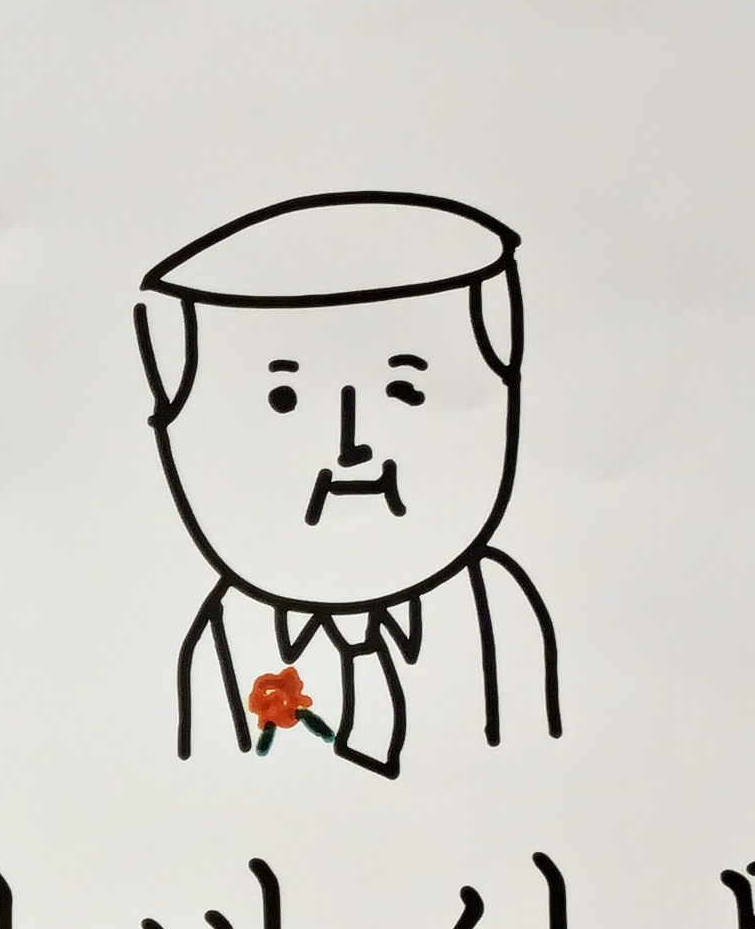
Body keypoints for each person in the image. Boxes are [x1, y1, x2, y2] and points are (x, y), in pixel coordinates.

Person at [136, 192, 558, 780]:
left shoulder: (497, 609)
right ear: (174, 418)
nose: (351, 444)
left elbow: (544, 763)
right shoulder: (222, 644)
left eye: (405, 390)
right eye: (284, 399)